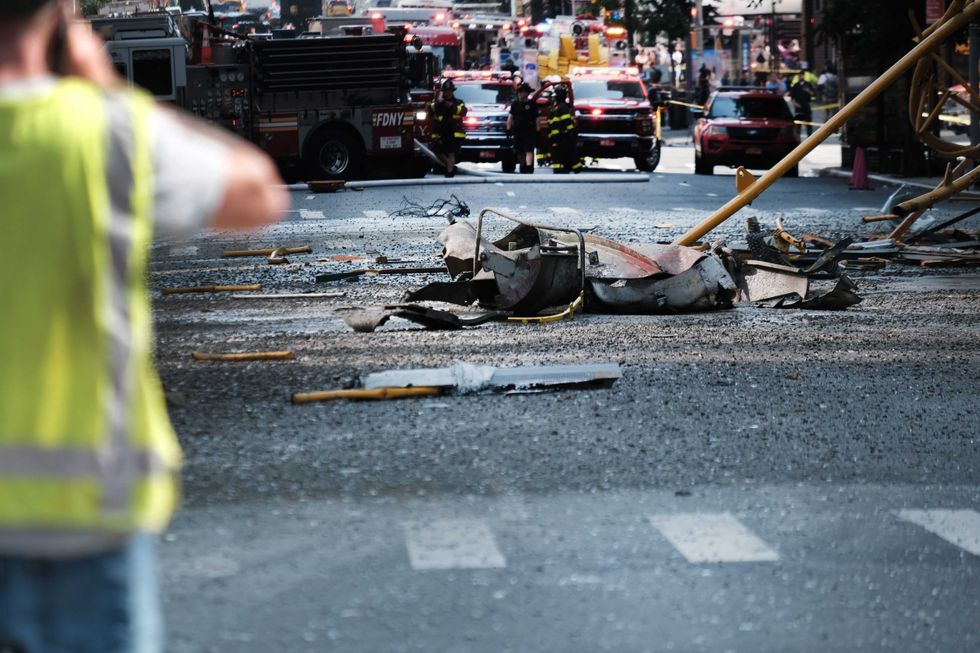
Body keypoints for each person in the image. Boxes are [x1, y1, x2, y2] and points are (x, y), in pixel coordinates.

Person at [0, 2, 288, 652]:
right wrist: (106, 91)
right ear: (59, 18)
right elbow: (259, 194)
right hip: (88, 513)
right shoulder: (106, 131)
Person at [430, 79, 467, 177]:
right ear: (443, 92)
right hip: (440, 132)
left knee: (451, 152)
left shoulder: (459, 102)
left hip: (454, 132)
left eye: (450, 90)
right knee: (436, 151)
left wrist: (446, 104)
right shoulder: (437, 103)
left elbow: (462, 111)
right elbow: (430, 110)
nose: (448, 92)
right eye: (446, 91)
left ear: (453, 91)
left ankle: (449, 172)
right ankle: (450, 166)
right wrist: (438, 100)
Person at [547, 84, 581, 174]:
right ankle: (575, 168)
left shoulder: (554, 108)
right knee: (570, 151)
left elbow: (550, 122)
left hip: (556, 135)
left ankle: (559, 168)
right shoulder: (564, 107)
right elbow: (567, 121)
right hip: (563, 134)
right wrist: (572, 131)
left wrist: (550, 134)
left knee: (558, 153)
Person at [507, 82, 538, 174]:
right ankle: (523, 165)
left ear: (527, 93)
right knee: (519, 151)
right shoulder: (515, 104)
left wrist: (538, 131)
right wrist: (508, 129)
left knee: (529, 149)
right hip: (517, 131)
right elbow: (510, 117)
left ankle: (529, 167)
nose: (519, 94)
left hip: (529, 131)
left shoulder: (532, 105)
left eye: (522, 92)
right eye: (519, 92)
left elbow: (537, 119)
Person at [789, 71, 815, 135]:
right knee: (798, 125)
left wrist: (808, 91)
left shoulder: (808, 84)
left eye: (801, 75)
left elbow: (813, 94)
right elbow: (792, 97)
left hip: (807, 107)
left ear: (804, 76)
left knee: (808, 124)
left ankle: (810, 139)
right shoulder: (795, 85)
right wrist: (795, 104)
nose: (800, 77)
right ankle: (798, 139)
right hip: (798, 108)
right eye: (799, 75)